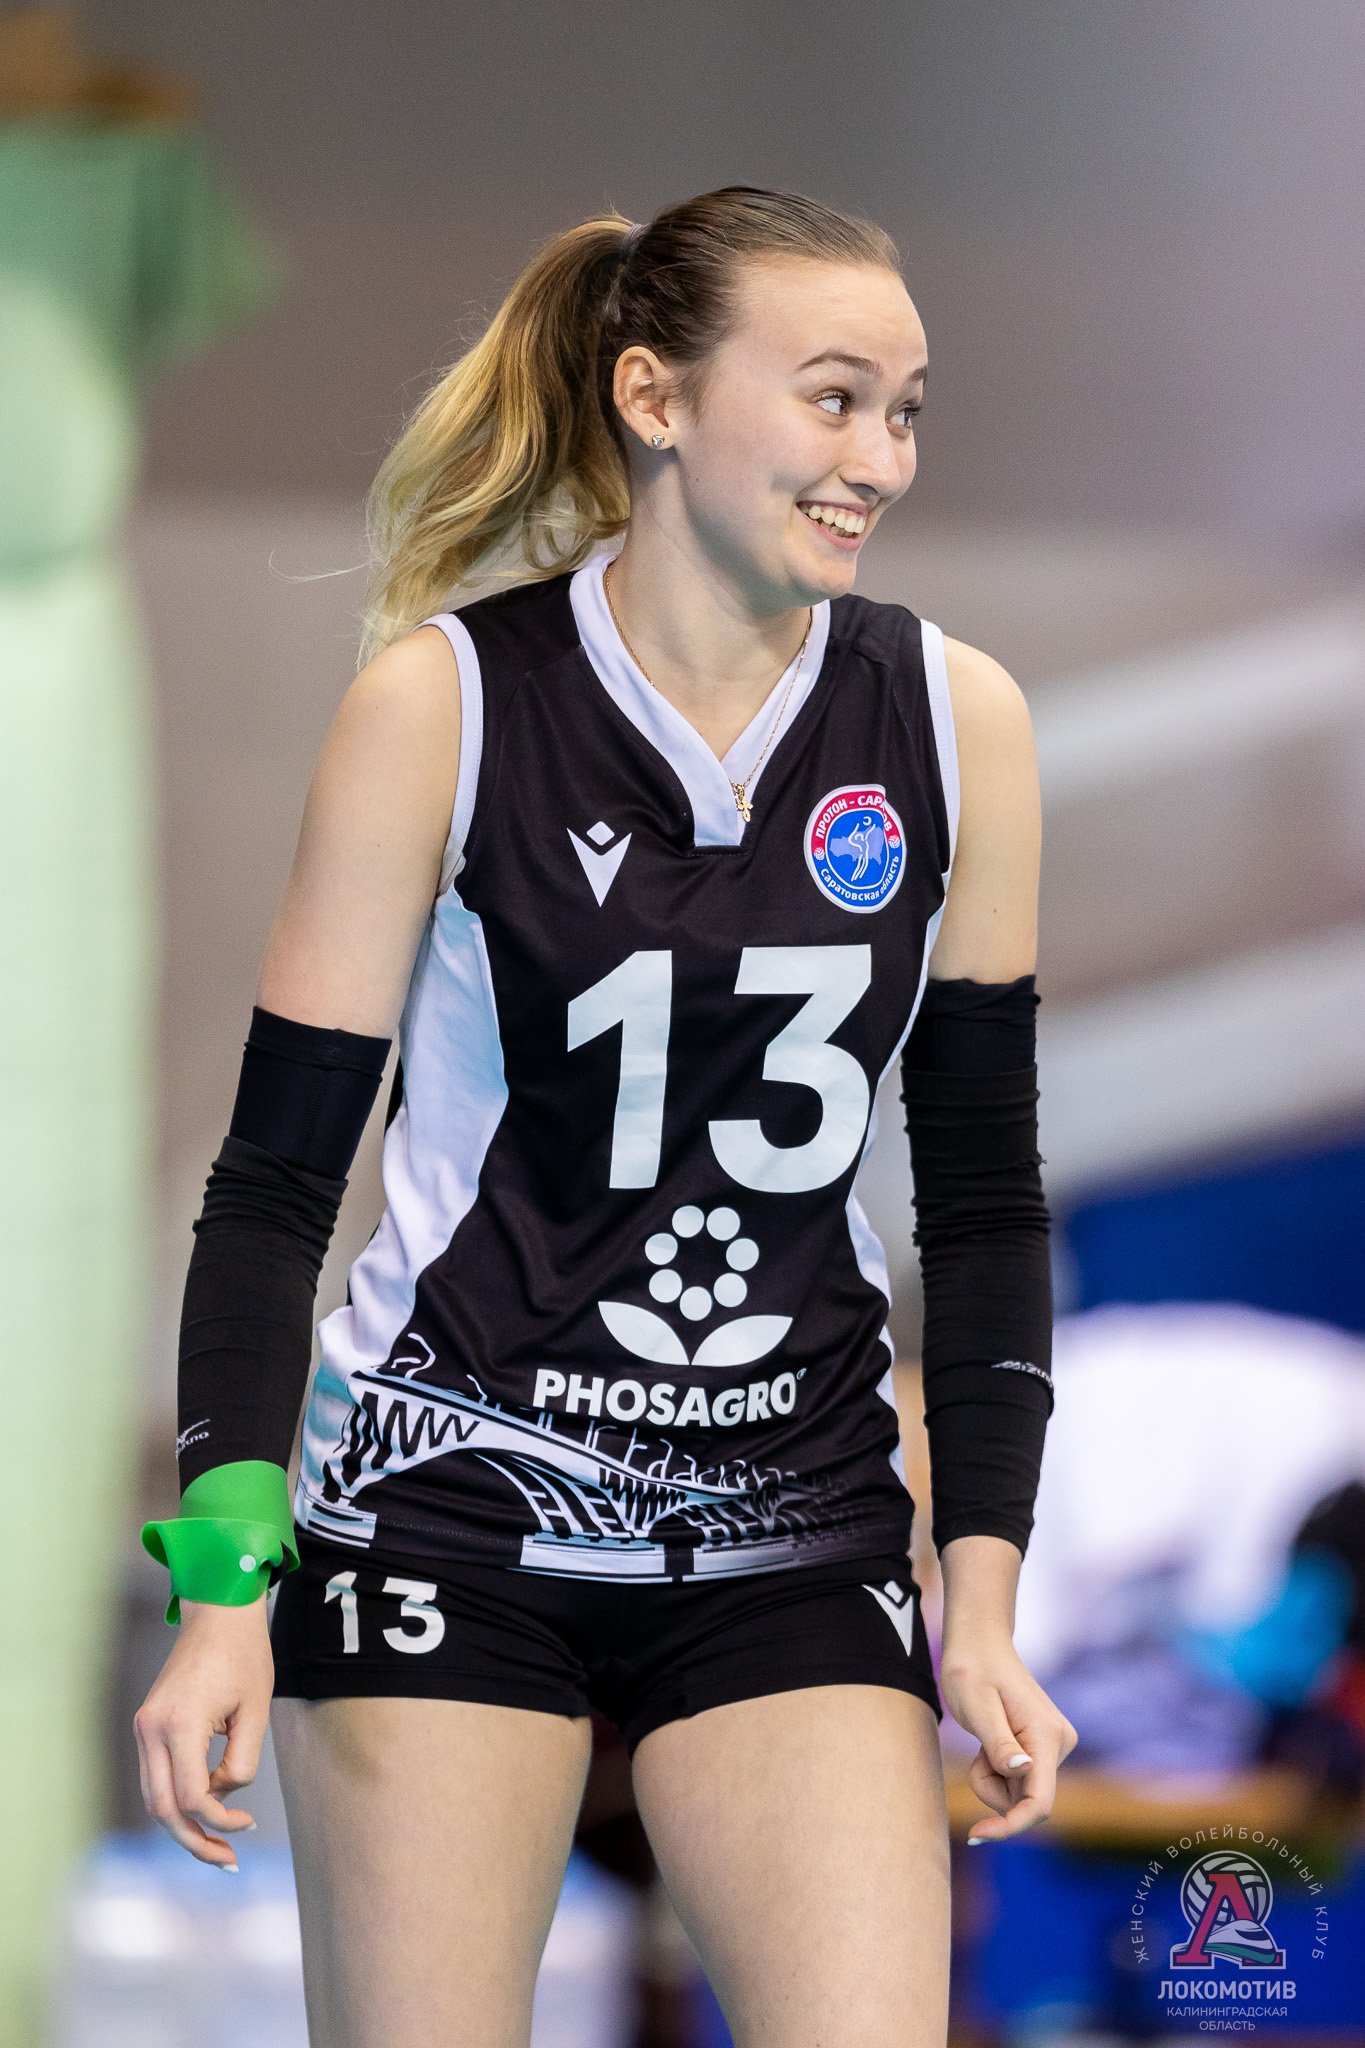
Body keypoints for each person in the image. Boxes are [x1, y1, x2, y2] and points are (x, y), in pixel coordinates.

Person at [134, 185, 1077, 2048]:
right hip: (442, 1511)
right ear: (654, 398)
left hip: (791, 1523)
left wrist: (977, 1603)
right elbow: (269, 1192)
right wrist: (226, 1589)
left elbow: (980, 1204)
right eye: (831, 399)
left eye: (904, 411)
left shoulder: (956, 720)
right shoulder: (445, 704)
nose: (878, 460)